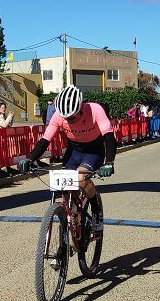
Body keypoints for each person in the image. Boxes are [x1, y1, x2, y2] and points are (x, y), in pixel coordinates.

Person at [23, 85, 116, 233]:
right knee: (65, 188)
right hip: (74, 151)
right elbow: (45, 140)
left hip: (94, 151)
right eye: (66, 118)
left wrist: (109, 162)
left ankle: (96, 210)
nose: (69, 121)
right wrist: (30, 159)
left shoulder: (95, 110)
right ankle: (71, 218)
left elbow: (109, 137)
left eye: (72, 117)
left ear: (81, 109)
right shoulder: (59, 115)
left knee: (80, 178)